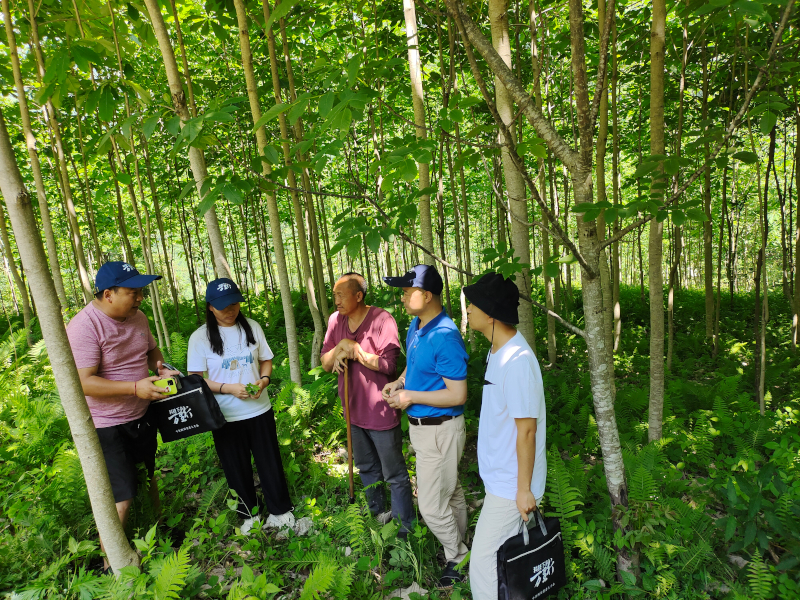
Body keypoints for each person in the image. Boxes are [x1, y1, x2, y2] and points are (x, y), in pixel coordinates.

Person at [67, 261, 179, 571]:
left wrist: (160, 367)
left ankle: (160, 530)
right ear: (108, 294)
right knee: (122, 497)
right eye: (133, 292)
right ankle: (111, 560)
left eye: (141, 292)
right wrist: (133, 388)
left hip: (141, 414)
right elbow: (83, 383)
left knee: (149, 474)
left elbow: (151, 351)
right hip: (107, 425)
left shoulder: (138, 317)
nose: (140, 298)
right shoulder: (84, 327)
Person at [381, 265, 470, 589]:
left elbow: (458, 394)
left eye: (407, 291)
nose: (403, 297)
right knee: (451, 491)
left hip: (441, 429)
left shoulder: (445, 336)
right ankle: (459, 542)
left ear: (427, 295)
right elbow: (415, 365)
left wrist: (409, 396)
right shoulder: (417, 326)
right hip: (423, 429)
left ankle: (459, 557)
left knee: (432, 507)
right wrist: (399, 382)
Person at [187, 278, 294, 535]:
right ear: (210, 307)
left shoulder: (252, 327)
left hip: (259, 409)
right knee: (236, 466)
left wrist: (264, 380)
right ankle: (249, 515)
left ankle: (280, 511)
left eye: (234, 303)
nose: (230, 309)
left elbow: (266, 360)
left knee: (269, 461)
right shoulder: (200, 338)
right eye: (223, 306)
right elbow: (195, 377)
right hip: (225, 415)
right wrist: (227, 388)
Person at [463, 273, 547, 600]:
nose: (468, 309)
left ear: (491, 313)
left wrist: (524, 490)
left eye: (473, 304)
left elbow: (527, 429)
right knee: (501, 561)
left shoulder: (518, 361)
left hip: (511, 487)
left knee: (483, 563)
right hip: (502, 480)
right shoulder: (497, 351)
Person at [320, 272, 413, 535]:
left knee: (394, 473)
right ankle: (377, 518)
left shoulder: (382, 320)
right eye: (334, 294)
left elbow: (389, 366)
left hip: (380, 410)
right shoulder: (335, 321)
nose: (335, 300)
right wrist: (339, 348)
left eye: (341, 295)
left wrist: (357, 352)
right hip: (352, 409)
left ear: (358, 296)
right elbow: (325, 363)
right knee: (367, 468)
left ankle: (405, 528)